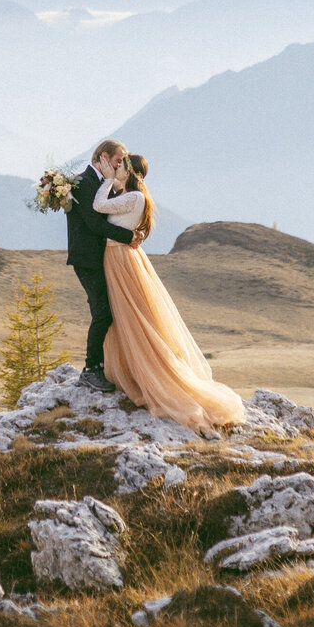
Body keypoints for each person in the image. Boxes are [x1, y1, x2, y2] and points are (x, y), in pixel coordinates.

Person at [93, 150, 245, 433]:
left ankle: (151, 377)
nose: (119, 170)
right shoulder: (130, 196)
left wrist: (107, 180)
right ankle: (132, 372)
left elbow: (100, 205)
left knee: (132, 317)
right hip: (118, 258)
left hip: (120, 259)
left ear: (131, 173)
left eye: (122, 167)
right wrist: (113, 179)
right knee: (125, 317)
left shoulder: (134, 197)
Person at [67, 138, 144, 393]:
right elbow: (94, 224)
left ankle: (105, 366)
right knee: (102, 313)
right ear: (103, 157)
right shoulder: (83, 182)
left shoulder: (100, 184)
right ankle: (91, 370)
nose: (121, 164)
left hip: (101, 257)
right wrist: (129, 238)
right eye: (118, 160)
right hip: (87, 258)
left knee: (105, 312)